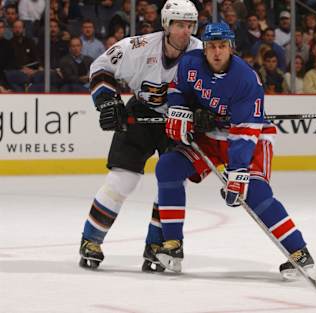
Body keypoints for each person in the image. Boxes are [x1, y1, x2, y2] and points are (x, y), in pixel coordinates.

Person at [153, 22, 315, 279]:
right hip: (209, 137)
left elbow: (245, 131)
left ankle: (299, 252)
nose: (217, 52)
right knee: (168, 167)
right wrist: (181, 109)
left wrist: (238, 172)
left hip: (249, 137)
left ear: (231, 48)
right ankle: (173, 246)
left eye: (222, 46)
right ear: (204, 48)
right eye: (212, 46)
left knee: (254, 191)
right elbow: (177, 89)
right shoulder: (189, 63)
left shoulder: (246, 79)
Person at [78, 0, 202, 272]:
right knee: (123, 179)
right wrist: (108, 102)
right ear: (166, 25)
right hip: (140, 114)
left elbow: (219, 87)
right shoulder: (138, 47)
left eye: (190, 25)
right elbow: (100, 67)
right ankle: (91, 240)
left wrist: (207, 112)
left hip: (178, 122)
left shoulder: (201, 53)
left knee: (170, 182)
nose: (185, 31)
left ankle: (156, 245)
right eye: (179, 24)